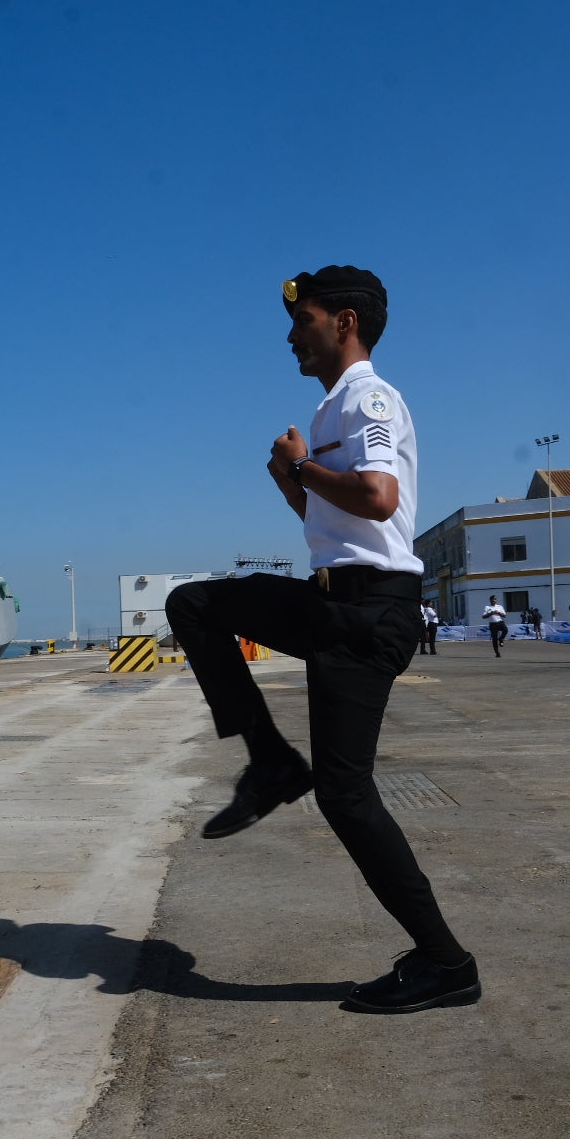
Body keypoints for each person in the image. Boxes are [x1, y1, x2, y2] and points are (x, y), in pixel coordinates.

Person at [164, 265, 477, 1013]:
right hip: (333, 599)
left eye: (302, 320)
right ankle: (270, 761)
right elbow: (334, 523)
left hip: (370, 612)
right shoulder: (333, 405)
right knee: (193, 604)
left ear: (344, 322)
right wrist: (290, 478)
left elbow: (378, 498)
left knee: (345, 795)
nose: (290, 335)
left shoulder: (369, 396)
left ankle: (446, 963)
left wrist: (304, 463)